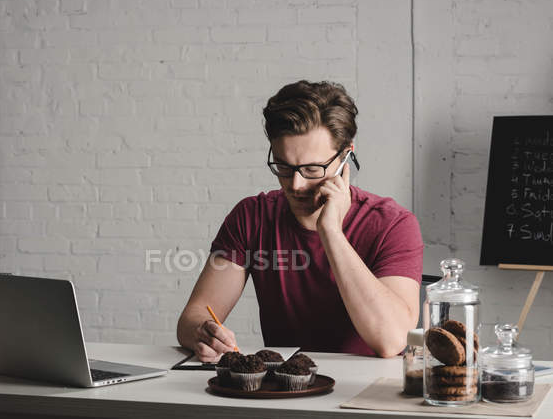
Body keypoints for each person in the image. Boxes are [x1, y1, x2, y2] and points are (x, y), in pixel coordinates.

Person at [176, 80, 424, 362]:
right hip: (284, 389)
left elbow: (391, 340)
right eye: (283, 166)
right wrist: (203, 331)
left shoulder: (393, 225)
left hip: (367, 392)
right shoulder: (251, 216)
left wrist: (331, 232)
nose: (295, 184)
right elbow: (192, 318)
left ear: (346, 157)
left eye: (312, 169)